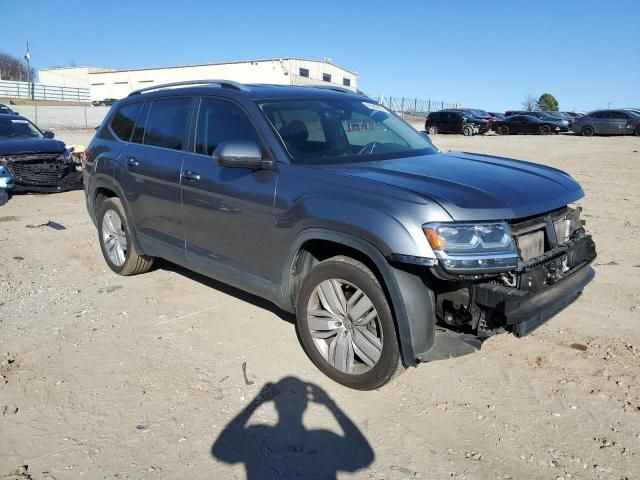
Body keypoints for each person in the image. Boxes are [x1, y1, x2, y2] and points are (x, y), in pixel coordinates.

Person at [212, 376, 374, 479]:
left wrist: (256, 402)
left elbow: (219, 450)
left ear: (274, 405)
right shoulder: (323, 438)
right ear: (307, 405)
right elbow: (366, 457)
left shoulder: (259, 432)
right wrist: (331, 405)